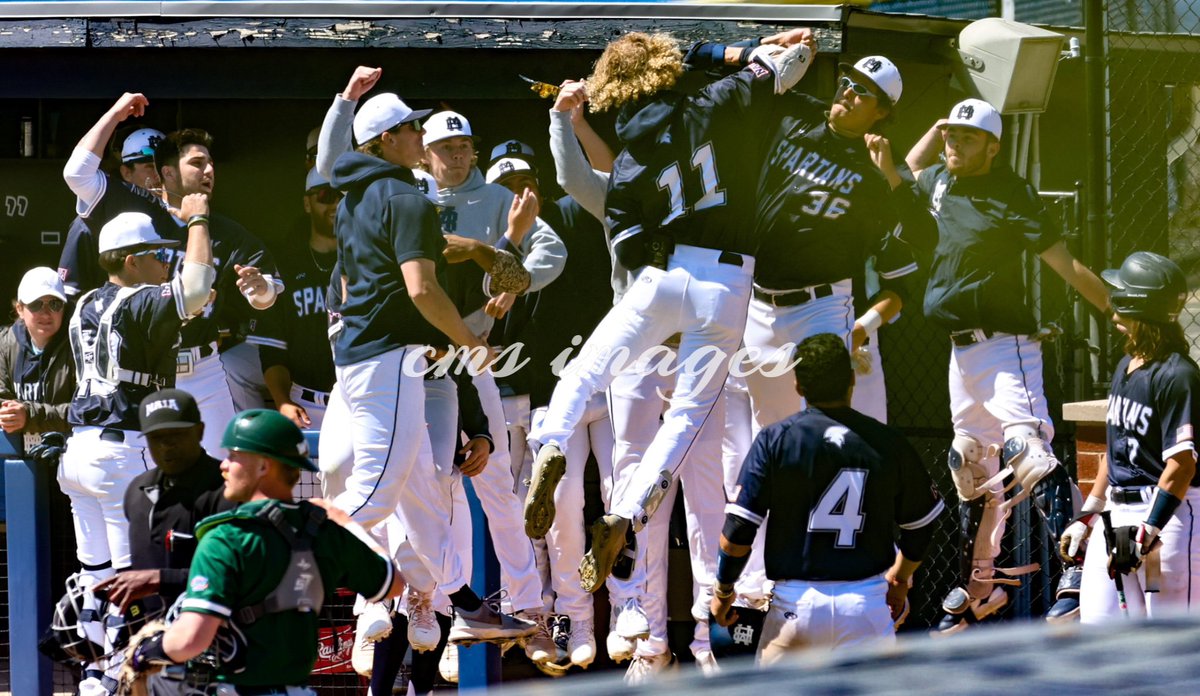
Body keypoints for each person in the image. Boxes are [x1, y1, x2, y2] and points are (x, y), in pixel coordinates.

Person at [524, 30, 813, 594]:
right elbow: (795, 59)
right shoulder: (715, 99)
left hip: (660, 275)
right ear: (666, 70)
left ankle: (553, 442)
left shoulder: (629, 158)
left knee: (585, 371)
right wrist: (729, 52)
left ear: (614, 93)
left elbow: (623, 231)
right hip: (727, 280)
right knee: (688, 413)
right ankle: (627, 516)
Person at [324, 83, 534, 645]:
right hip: (390, 357)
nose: (422, 135)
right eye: (413, 129)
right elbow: (421, 290)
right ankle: (289, 541)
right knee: (376, 493)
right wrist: (468, 340)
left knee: (421, 496)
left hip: (369, 358)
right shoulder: (405, 199)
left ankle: (462, 602)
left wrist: (495, 246)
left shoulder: (353, 199)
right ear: (387, 139)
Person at [894, 97, 1111, 631]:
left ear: (993, 147)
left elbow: (1064, 263)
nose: (954, 144)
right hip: (960, 351)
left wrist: (1117, 311)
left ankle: (1076, 569)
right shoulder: (941, 183)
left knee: (1027, 454)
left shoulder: (1011, 194)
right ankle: (983, 584)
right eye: (951, 136)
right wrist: (937, 123)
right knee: (970, 463)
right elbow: (907, 169)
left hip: (1004, 345)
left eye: (967, 138)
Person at [123, 409, 405, 692]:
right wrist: (348, 523)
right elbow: (393, 585)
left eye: (233, 455)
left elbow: (189, 641)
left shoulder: (225, 538)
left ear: (263, 466)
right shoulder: (324, 531)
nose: (224, 465)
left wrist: (145, 652)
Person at [710, 333, 943, 663]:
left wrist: (723, 591)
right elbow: (921, 525)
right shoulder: (887, 441)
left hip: (795, 605)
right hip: (865, 605)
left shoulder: (775, 440)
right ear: (851, 379)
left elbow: (737, 533)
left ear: (798, 386)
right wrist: (900, 579)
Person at [59, 205, 214, 695]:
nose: (165, 263)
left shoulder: (85, 302)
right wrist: (196, 221)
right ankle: (120, 676)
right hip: (118, 451)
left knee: (93, 575)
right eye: (155, 255)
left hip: (79, 452)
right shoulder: (141, 299)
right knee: (133, 578)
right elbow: (195, 286)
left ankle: (91, 676)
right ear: (129, 260)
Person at [740, 54, 916, 432]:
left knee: (828, 425)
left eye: (862, 91)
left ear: (881, 111)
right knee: (769, 428)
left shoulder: (880, 161)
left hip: (820, 305)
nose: (848, 92)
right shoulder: (796, 115)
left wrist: (889, 175)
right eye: (847, 82)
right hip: (757, 303)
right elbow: (754, 84)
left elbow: (923, 235)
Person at [1061, 251, 1198, 622]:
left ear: (1135, 305)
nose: (1113, 300)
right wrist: (1087, 514)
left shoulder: (1178, 375)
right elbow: (1114, 451)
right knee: (1101, 632)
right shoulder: (1127, 364)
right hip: (1115, 513)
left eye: (1120, 291)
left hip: (1166, 519)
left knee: (1168, 650)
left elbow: (1181, 465)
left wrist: (1150, 528)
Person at [59, 93, 172, 298]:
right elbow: (76, 173)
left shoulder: (187, 206)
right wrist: (114, 115)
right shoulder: (119, 200)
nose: (158, 175)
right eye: (149, 166)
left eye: (162, 166)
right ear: (126, 172)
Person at [262, 167, 342, 430]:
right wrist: (282, 402)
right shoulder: (284, 265)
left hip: (360, 399)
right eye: (326, 195)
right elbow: (273, 349)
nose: (336, 204)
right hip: (306, 402)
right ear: (307, 203)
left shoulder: (367, 260)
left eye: (343, 195)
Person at [0, 267, 75, 452]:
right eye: (36, 304)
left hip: (66, 453)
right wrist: (8, 413)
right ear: (20, 308)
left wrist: (30, 416)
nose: (46, 313)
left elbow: (86, 410)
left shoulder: (77, 345)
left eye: (55, 304)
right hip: (18, 454)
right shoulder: (5, 344)